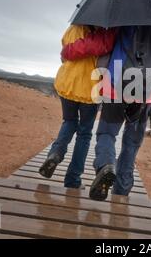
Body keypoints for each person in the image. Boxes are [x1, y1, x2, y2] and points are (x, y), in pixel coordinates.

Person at [61, 26, 151, 199]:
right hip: (145, 94)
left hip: (115, 89)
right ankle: (122, 190)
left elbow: (99, 45)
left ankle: (105, 165)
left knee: (107, 133)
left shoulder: (120, 25)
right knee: (131, 144)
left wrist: (68, 51)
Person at [39, 25, 117, 188]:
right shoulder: (104, 34)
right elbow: (106, 59)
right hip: (89, 88)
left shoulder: (73, 28)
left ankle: (55, 154)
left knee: (69, 121)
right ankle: (73, 179)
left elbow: (64, 54)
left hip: (67, 83)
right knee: (84, 134)